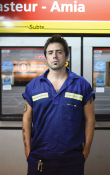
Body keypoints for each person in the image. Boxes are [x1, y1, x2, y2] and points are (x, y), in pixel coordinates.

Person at [22, 34, 95, 175]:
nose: (54, 56)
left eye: (59, 52)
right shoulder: (33, 86)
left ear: (66, 56)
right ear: (46, 57)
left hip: (72, 160)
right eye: (50, 53)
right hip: (39, 159)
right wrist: (28, 152)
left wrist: (85, 153)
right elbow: (27, 119)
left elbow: (90, 119)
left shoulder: (82, 85)